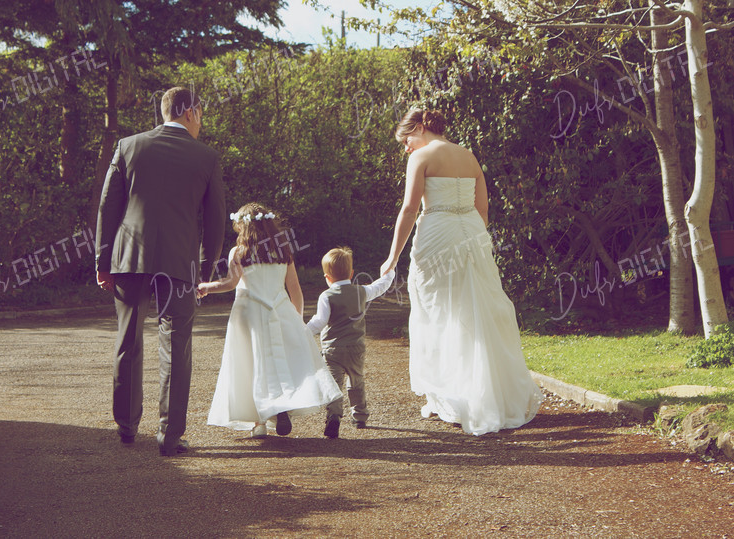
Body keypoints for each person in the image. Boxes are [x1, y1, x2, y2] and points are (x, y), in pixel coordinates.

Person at [379, 108, 542, 436]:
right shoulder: (470, 156)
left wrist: (392, 257)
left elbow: (410, 208)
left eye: (407, 139)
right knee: (477, 308)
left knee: (439, 312)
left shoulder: (422, 157)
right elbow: (482, 208)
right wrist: (473, 240)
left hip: (437, 233)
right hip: (471, 233)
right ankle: (486, 395)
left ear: (421, 128)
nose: (406, 147)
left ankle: (452, 399)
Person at [95, 86, 226, 456]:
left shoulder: (128, 146)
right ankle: (170, 437)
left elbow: (108, 209)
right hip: (179, 264)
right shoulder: (206, 157)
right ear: (189, 113)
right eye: (201, 114)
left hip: (129, 260)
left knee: (128, 340)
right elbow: (215, 221)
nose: (202, 122)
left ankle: (126, 426)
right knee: (176, 344)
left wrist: (103, 264)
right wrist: (204, 270)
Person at [198, 203, 342, 438]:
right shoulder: (282, 251)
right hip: (279, 310)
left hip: (249, 313)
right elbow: (294, 289)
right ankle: (281, 406)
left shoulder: (239, 252)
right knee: (279, 363)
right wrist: (297, 320)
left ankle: (259, 423)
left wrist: (206, 287)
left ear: (243, 227)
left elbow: (229, 284)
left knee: (252, 364)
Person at [306, 247, 395, 438]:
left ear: (327, 277)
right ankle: (360, 416)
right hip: (356, 348)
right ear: (352, 273)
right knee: (356, 381)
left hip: (333, 349)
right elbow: (380, 286)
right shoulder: (361, 291)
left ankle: (334, 416)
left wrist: (302, 333)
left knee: (334, 384)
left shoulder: (326, 296)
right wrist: (390, 270)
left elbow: (319, 322)